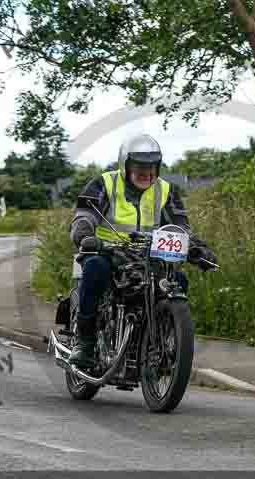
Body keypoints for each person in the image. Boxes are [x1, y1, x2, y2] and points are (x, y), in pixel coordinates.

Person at [67, 133, 218, 369]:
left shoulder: (166, 191)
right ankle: (85, 343)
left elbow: (179, 227)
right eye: (138, 166)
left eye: (151, 166)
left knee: (177, 280)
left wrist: (197, 250)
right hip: (106, 252)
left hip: (147, 256)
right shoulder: (104, 184)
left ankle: (157, 341)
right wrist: (86, 236)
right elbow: (83, 216)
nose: (145, 172)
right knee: (95, 269)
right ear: (125, 165)